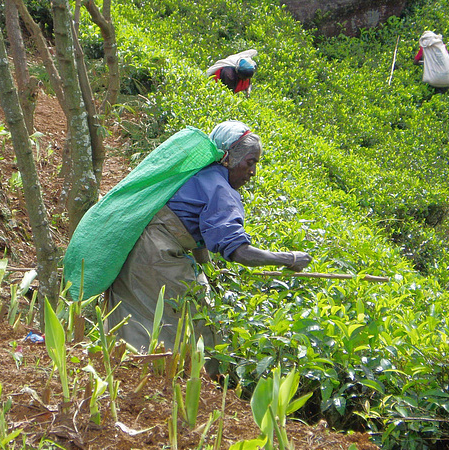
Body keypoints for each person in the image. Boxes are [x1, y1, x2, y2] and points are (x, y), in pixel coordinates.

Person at [106, 120, 312, 359]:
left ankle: (127, 369)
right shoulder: (221, 191)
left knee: (137, 318)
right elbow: (240, 252)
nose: (253, 172)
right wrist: (290, 259)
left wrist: (207, 269)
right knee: (192, 318)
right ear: (228, 158)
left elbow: (194, 232)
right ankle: (187, 375)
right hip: (156, 255)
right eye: (250, 162)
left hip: (137, 246)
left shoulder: (199, 172)